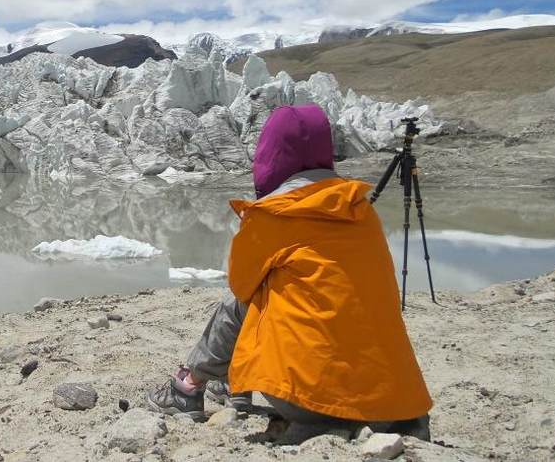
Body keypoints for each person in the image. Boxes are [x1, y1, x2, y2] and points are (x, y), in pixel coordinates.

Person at [147, 104, 432, 441]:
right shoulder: (359, 210)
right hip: (399, 405)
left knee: (248, 297)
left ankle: (187, 386)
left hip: (311, 399)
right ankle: (233, 386)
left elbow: (241, 287)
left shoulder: (275, 217)